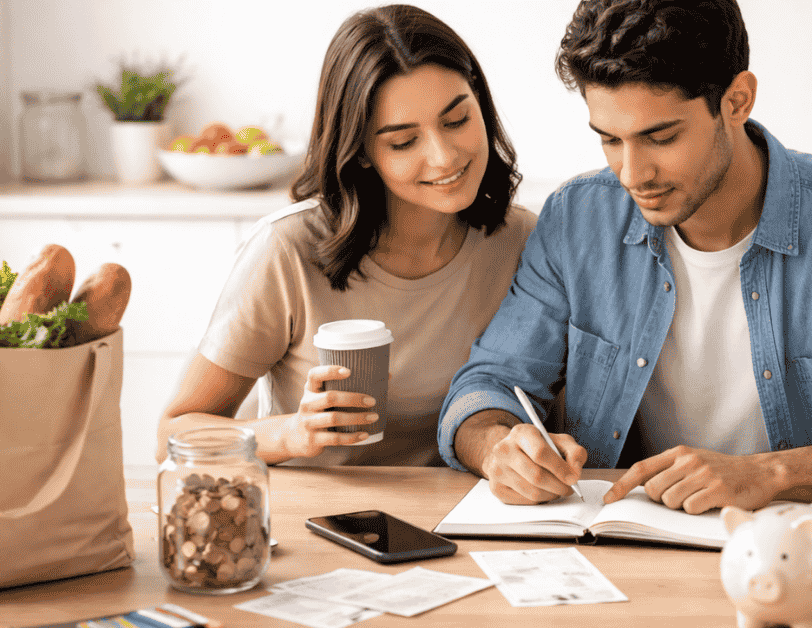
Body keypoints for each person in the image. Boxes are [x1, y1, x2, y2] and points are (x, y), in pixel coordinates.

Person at [438, 0, 812, 512]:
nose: (633, 175)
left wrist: (773, 476)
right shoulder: (576, 219)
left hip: (800, 558)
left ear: (736, 101)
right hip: (623, 552)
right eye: (610, 139)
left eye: (661, 138)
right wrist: (498, 449)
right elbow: (486, 386)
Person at [158, 4, 535, 466]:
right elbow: (172, 434)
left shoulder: (522, 240)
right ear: (359, 151)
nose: (444, 157)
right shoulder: (288, 251)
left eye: (457, 121)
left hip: (463, 522)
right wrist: (291, 434)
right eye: (403, 142)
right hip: (319, 522)